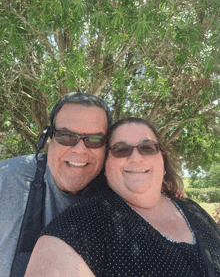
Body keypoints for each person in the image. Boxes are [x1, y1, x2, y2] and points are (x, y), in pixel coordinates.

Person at [25, 117, 220, 277]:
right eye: (121, 149)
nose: (136, 157)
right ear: (105, 167)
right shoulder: (82, 226)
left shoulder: (192, 208)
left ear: (162, 158)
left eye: (147, 147)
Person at [0, 92, 113, 277]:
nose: (79, 150)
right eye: (67, 136)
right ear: (48, 139)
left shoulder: (117, 198)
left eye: (94, 140)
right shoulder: (5, 180)